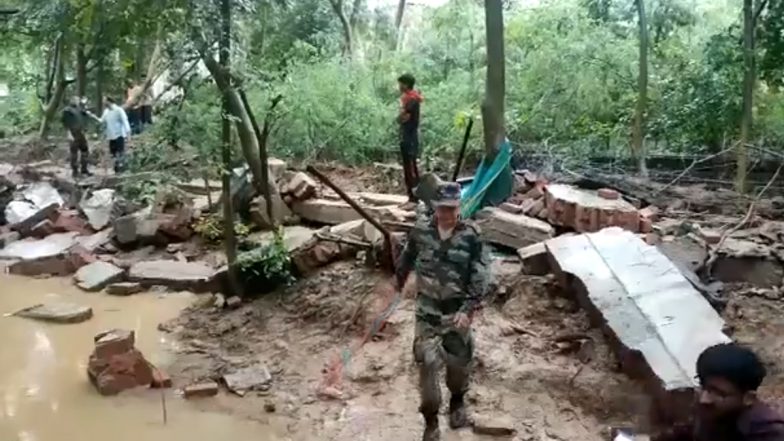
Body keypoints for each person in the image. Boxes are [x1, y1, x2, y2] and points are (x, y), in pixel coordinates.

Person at [394, 181, 491, 441]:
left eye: (452, 208)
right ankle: (431, 422)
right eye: (442, 208)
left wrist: (469, 308)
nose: (447, 214)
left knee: (458, 365)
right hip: (426, 311)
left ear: (459, 206)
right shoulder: (421, 232)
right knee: (427, 363)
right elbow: (405, 259)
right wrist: (400, 282)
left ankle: (457, 401)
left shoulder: (472, 234)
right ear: (434, 207)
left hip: (457, 312)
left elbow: (480, 274)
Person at [653, 343, 784, 441]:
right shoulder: (711, 410)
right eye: (703, 386)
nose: (704, 399)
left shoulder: (770, 433)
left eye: (719, 393)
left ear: (748, 398)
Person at [397, 73, 423, 203]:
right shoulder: (409, 98)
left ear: (406, 84)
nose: (399, 86)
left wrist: (400, 117)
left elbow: (403, 117)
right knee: (409, 166)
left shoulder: (411, 99)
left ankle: (414, 197)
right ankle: (413, 196)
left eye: (400, 83)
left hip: (409, 137)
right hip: (408, 136)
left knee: (410, 168)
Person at [88, 96, 131, 173]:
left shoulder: (119, 110)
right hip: (111, 136)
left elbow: (125, 122)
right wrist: (92, 116)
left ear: (109, 101)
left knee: (120, 153)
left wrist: (128, 135)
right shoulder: (106, 111)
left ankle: (121, 169)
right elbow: (101, 121)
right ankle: (116, 169)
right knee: (113, 154)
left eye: (104, 101)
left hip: (119, 135)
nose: (103, 103)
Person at [61, 96, 91, 177]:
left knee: (85, 151)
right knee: (74, 153)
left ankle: (84, 170)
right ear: (72, 101)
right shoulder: (67, 110)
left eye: (78, 100)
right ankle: (75, 171)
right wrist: (69, 133)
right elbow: (65, 123)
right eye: (76, 100)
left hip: (81, 133)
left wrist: (86, 131)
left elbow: (85, 117)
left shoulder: (79, 109)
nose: (78, 101)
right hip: (73, 133)